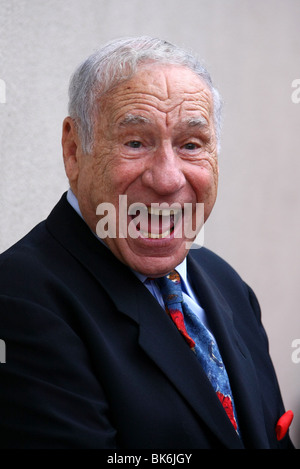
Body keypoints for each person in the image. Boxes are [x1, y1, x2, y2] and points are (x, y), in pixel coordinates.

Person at [0, 36, 294, 449]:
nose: (168, 179)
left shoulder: (226, 284)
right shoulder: (20, 298)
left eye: (191, 145)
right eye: (135, 143)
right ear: (73, 151)